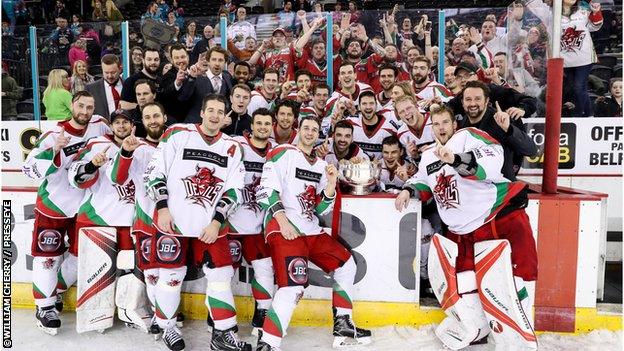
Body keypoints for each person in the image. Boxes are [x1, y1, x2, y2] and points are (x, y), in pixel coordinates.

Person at [395, 104, 538, 350]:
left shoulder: (468, 137)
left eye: (445, 123)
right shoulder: (429, 155)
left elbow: (490, 161)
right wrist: (409, 190)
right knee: (464, 282)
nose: (440, 128)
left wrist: (455, 160)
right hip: (462, 231)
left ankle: (518, 331)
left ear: (454, 125)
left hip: (498, 216)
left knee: (517, 275)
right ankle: (478, 328)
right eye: (436, 124)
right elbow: (423, 181)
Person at [144, 94, 251, 351]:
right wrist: (162, 208)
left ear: (226, 116)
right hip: (174, 222)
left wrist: (216, 222)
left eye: (220, 111)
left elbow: (235, 190)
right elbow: (154, 173)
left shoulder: (233, 147)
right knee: (171, 276)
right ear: (201, 113)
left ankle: (223, 334)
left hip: (210, 227)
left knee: (221, 276)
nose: (215, 115)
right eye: (210, 110)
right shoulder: (177, 134)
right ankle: (168, 326)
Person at [255, 116, 372, 351]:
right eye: (306, 128)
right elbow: (265, 191)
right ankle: (268, 343)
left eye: (315, 130)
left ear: (320, 134)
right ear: (299, 130)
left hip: (310, 231)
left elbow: (318, 209)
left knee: (346, 264)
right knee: (292, 286)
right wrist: (282, 221)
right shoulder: (283, 152)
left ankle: (342, 322)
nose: (310, 132)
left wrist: (330, 184)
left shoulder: (320, 165)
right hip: (284, 229)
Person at [22, 91, 110, 335]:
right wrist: (53, 151)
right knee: (47, 257)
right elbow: (28, 169)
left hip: (85, 207)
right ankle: (44, 306)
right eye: (80, 106)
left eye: (89, 107)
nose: (84, 111)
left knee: (82, 255)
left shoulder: (100, 126)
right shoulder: (53, 135)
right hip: (54, 206)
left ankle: (56, 290)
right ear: (72, 105)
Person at [106, 102, 185, 349]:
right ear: (142, 121)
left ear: (164, 117)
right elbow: (115, 178)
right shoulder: (136, 147)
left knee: (172, 276)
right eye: (147, 116)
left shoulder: (178, 145)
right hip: (145, 222)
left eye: (156, 115)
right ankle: (165, 319)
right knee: (152, 277)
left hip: (174, 221)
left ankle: (166, 321)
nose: (152, 120)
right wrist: (126, 153)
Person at [58, 109, 137, 329]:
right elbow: (75, 177)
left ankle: (124, 309)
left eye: (125, 122)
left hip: (127, 218)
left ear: (132, 125)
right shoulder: (97, 144)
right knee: (78, 261)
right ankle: (54, 293)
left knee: (128, 267)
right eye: (117, 123)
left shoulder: (141, 146)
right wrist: (92, 164)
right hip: (96, 216)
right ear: (111, 126)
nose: (121, 126)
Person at [217, 108, 277, 335]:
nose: (262, 127)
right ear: (251, 127)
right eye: (258, 123)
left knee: (264, 269)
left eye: (266, 123)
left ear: (271, 127)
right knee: (223, 273)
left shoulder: (277, 153)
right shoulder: (236, 146)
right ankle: (221, 316)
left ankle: (262, 313)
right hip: (231, 223)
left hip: (258, 226)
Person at [457, 80, 537, 181]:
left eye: (478, 99)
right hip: (476, 187)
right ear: (462, 102)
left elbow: (531, 150)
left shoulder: (501, 120)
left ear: (486, 101)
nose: (473, 103)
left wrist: (508, 129)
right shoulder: (463, 122)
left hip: (501, 190)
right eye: (468, 99)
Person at [449, 62, 537, 119]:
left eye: (467, 75)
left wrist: (521, 109)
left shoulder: (493, 90)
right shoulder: (459, 98)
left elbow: (529, 100)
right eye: (459, 77)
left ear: (476, 76)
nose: (463, 80)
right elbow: (446, 109)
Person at [177, 46, 235, 122]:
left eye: (220, 60)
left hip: (218, 127)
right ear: (208, 61)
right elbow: (183, 98)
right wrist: (192, 77)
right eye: (214, 59)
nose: (217, 63)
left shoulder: (227, 77)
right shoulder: (195, 76)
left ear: (225, 62)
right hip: (196, 125)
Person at [345, 91, 397, 160]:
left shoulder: (390, 128)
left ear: (376, 105)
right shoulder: (350, 123)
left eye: (371, 103)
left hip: (381, 169)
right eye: (364, 104)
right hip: (355, 168)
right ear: (359, 107)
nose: (368, 107)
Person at [394, 95, 435, 162]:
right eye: (402, 112)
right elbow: (417, 165)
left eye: (409, 108)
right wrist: (415, 156)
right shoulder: (402, 133)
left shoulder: (434, 120)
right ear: (399, 116)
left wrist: (432, 149)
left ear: (416, 106)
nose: (406, 113)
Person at [158, 43, 191, 123]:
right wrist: (177, 83)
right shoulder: (167, 76)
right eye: (176, 58)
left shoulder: (195, 73)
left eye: (182, 57)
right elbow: (165, 95)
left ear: (188, 57)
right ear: (172, 60)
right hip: (176, 122)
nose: (180, 61)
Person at [85, 54, 123, 120]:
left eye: (113, 72)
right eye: (106, 73)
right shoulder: (91, 89)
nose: (110, 76)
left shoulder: (128, 86)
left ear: (120, 69)